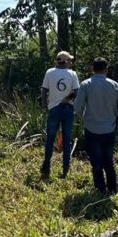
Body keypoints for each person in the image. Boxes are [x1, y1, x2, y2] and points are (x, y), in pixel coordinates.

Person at [73, 58, 118, 195]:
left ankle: (100, 189)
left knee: (96, 162)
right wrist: (113, 118)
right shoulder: (114, 85)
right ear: (106, 69)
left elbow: (77, 108)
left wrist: (85, 117)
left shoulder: (85, 85)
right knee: (109, 161)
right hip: (109, 129)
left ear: (92, 69)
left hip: (92, 129)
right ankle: (112, 189)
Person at [40, 50, 80, 179]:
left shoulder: (49, 72)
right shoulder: (72, 74)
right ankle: (65, 168)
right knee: (67, 138)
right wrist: (68, 99)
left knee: (50, 138)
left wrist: (45, 106)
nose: (71, 62)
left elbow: (44, 90)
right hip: (68, 109)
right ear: (66, 61)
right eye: (70, 60)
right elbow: (77, 92)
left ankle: (46, 166)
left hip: (53, 109)